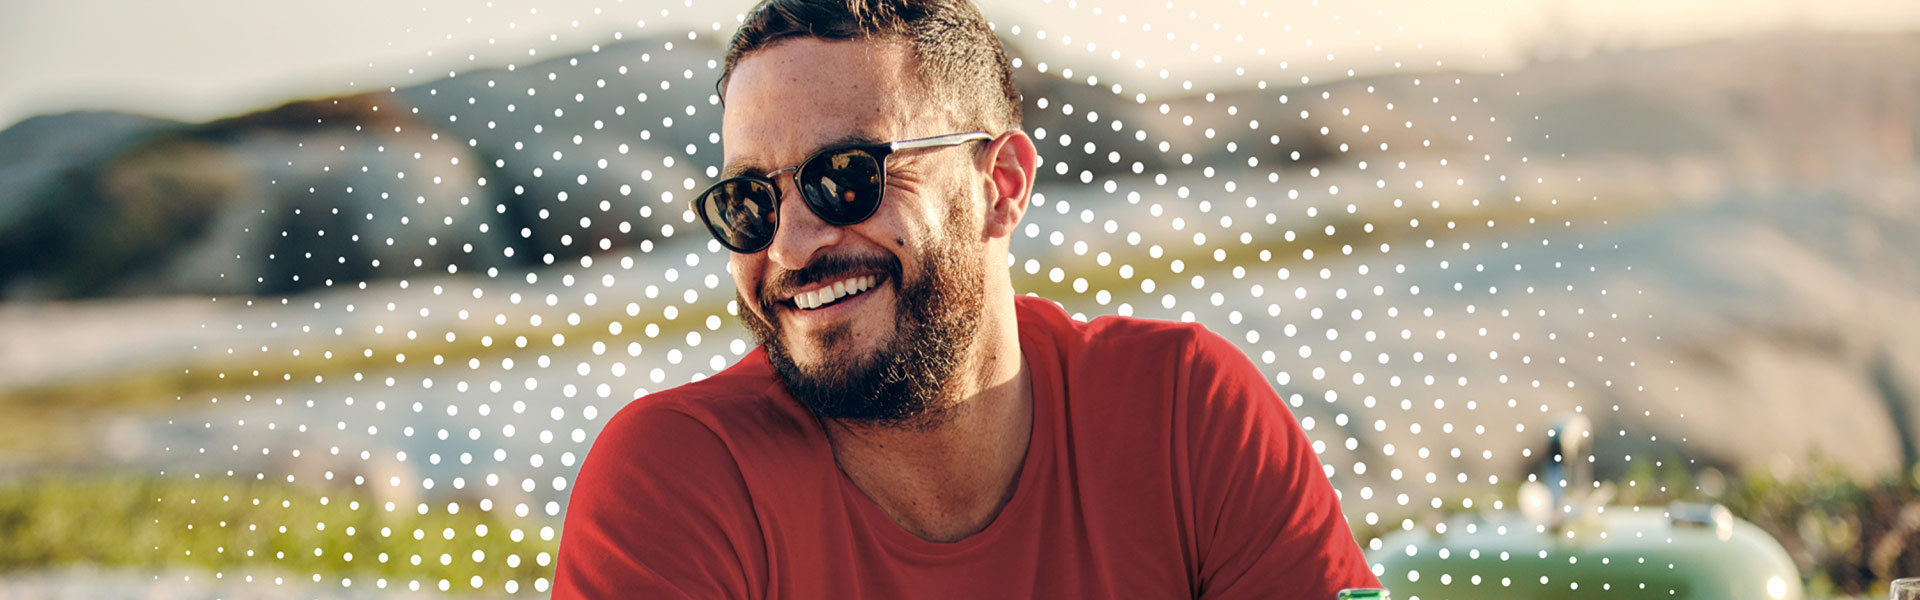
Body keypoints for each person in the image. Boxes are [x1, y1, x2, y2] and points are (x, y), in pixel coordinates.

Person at [553, 0, 1380, 597]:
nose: (791, 246)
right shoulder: (677, 482)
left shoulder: (1183, 414)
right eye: (751, 202)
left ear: (1002, 184)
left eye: (848, 177)